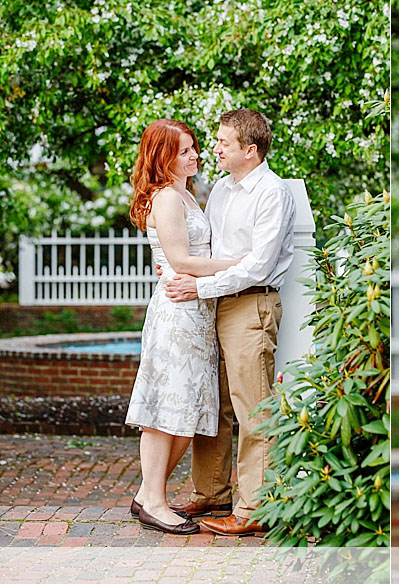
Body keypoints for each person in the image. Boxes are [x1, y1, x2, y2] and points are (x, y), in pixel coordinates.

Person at [164, 108, 296, 537]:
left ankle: (254, 508)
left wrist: (198, 288)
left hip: (250, 306)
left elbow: (258, 266)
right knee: (213, 403)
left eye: (223, 143)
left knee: (252, 408)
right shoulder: (221, 188)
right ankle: (211, 492)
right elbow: (210, 249)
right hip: (216, 306)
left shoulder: (272, 193)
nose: (214, 148)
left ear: (250, 150)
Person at [125, 119, 243, 535]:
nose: (195, 156)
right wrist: (244, 265)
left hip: (197, 310)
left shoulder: (186, 196)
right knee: (164, 409)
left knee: (187, 409)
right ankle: (155, 501)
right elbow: (181, 263)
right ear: (163, 157)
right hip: (177, 313)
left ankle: (146, 494)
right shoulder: (168, 199)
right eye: (185, 151)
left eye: (194, 148)